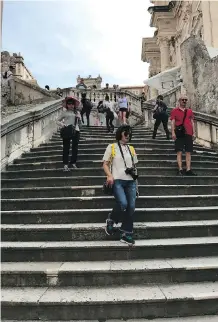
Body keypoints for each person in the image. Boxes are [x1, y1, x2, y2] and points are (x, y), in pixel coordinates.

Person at [102, 125, 138, 246]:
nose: (128, 135)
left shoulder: (131, 149)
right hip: (117, 180)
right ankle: (111, 220)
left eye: (129, 132)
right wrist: (109, 175)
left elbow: (134, 167)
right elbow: (105, 164)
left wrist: (136, 185)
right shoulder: (111, 147)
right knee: (123, 203)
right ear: (120, 133)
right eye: (125, 132)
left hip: (130, 181)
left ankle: (126, 233)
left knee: (131, 207)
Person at [170, 95, 196, 176]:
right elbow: (173, 122)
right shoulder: (174, 110)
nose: (184, 101)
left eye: (185, 100)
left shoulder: (190, 111)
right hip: (179, 133)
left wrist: (194, 132)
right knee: (179, 152)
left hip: (188, 133)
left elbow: (192, 122)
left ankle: (188, 169)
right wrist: (173, 132)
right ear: (179, 101)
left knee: (188, 151)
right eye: (182, 100)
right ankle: (180, 169)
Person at [57, 97, 82, 171]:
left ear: (74, 105)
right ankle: (65, 165)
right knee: (66, 148)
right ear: (67, 105)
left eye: (72, 104)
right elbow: (57, 121)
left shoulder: (77, 112)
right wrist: (63, 125)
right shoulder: (64, 112)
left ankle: (73, 163)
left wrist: (79, 118)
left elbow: (80, 124)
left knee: (75, 148)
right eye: (69, 104)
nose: (71, 105)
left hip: (76, 130)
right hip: (67, 130)